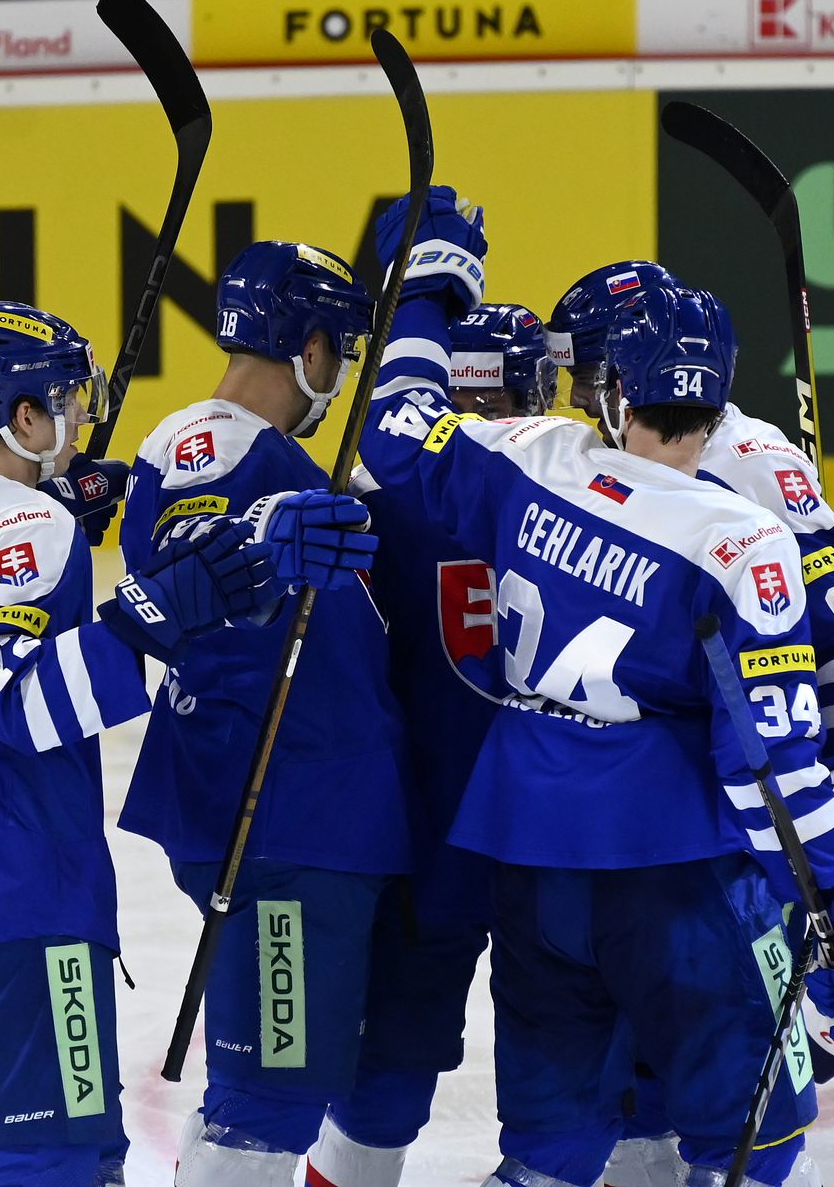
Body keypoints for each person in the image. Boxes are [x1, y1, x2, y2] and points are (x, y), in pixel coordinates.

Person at [352, 188, 834, 1187]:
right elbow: (766, 763)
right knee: (749, 1143)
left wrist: (420, 295)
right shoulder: (740, 541)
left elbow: (394, 432)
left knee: (548, 1153)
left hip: (530, 850)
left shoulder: (534, 460)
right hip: (675, 868)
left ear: (610, 387)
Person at [0, 300, 278, 1187]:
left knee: (74, 1142)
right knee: (56, 1155)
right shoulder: (30, 530)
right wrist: (154, 616)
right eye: (61, 402)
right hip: (3, 879)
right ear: (21, 418)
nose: (78, 417)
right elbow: (20, 703)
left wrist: (53, 501)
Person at [540, 261, 834, 1187]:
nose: (576, 393)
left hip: (750, 835)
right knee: (644, 1092)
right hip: (643, 843)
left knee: (753, 1117)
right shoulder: (594, 458)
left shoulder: (744, 460)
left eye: (584, 370)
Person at [116, 241, 408, 1184]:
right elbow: (187, 547)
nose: (343, 378)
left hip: (299, 805)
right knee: (267, 1104)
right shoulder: (221, 438)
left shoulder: (262, 451)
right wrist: (258, 534)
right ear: (311, 350)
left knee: (277, 1085)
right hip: (284, 812)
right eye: (344, 354)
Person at [306, 303, 553, 1187]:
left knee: (381, 1093)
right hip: (574, 845)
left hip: (425, 840)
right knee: (596, 1099)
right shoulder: (595, 494)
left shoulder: (373, 501)